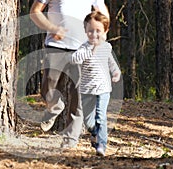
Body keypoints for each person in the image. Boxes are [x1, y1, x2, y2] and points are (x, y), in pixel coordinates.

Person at [29, 0, 110, 148]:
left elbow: (102, 12)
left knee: (79, 97)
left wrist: (102, 35)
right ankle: (55, 106)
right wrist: (52, 27)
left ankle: (70, 140)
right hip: (55, 45)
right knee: (48, 86)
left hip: (83, 49)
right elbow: (35, 11)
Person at [68, 10, 121, 156]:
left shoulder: (106, 47)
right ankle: (94, 133)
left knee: (101, 116)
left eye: (98, 31)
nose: (94, 34)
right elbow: (74, 59)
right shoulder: (84, 47)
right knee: (89, 121)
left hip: (103, 89)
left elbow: (111, 62)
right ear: (85, 30)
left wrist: (116, 72)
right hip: (87, 89)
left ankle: (101, 145)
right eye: (90, 31)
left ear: (105, 31)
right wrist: (90, 49)